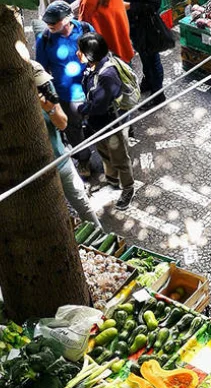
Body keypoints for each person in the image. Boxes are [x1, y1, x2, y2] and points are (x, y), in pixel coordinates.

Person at [31, 61, 103, 229]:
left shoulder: (46, 88)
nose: (43, 86)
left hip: (61, 160)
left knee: (83, 205)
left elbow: (62, 124)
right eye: (38, 84)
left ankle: (100, 236)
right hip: (36, 172)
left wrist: (49, 108)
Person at [36, 1, 96, 176]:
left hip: (91, 89)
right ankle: (83, 159)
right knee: (73, 129)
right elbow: (41, 69)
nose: (50, 25)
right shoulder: (45, 40)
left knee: (98, 121)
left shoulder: (85, 29)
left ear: (68, 18)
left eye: (54, 21)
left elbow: (98, 52)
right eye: (48, 22)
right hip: (67, 96)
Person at [77, 32, 136, 210]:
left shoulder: (106, 75)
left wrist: (80, 110)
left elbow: (99, 105)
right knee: (103, 151)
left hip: (112, 123)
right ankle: (113, 179)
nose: (77, 54)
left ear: (90, 54)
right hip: (99, 124)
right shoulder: (93, 66)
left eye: (80, 51)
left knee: (119, 158)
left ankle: (128, 188)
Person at [126, 0, 168, 106]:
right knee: (144, 56)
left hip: (148, 25)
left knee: (153, 59)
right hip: (135, 25)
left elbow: (154, 4)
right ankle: (148, 81)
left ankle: (158, 95)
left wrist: (130, 6)